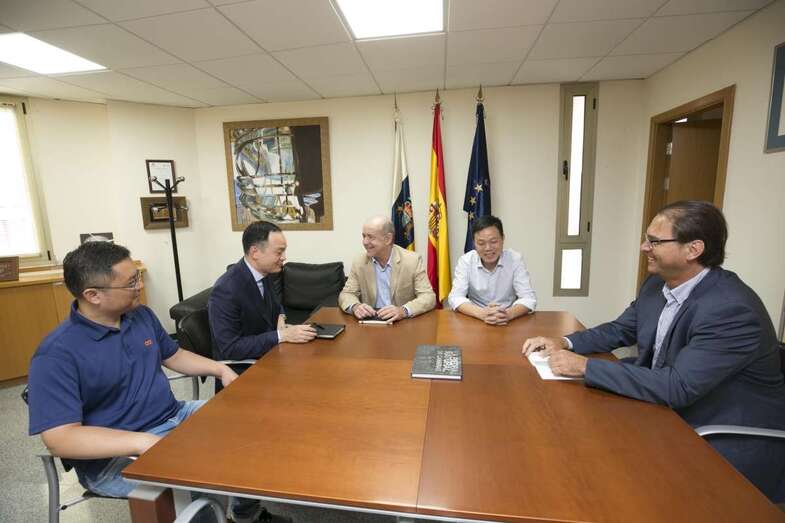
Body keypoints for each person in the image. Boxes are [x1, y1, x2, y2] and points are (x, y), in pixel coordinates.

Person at [522, 200, 785, 502]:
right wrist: (564, 342)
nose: (643, 247)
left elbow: (677, 387)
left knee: (609, 483)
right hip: (666, 413)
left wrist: (584, 367)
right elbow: (620, 329)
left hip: (721, 435)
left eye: (654, 241)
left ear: (693, 249)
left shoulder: (730, 309)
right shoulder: (656, 285)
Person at [27, 242, 238, 501]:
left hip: (174, 416)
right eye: (130, 283)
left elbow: (174, 355)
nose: (140, 286)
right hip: (114, 457)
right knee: (204, 475)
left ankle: (244, 513)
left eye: (137, 277)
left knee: (246, 426)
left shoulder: (140, 316)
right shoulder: (56, 354)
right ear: (93, 295)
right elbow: (61, 439)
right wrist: (142, 441)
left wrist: (220, 369)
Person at [209, 220, 317, 365]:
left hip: (269, 355)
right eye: (279, 252)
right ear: (255, 252)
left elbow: (275, 304)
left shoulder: (265, 274)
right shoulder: (226, 290)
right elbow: (231, 348)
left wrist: (281, 316)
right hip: (243, 369)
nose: (284, 257)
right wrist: (281, 335)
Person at [338, 215, 435, 321]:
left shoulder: (412, 261)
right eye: (364, 236)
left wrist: (403, 311)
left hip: (402, 323)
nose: (365, 242)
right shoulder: (359, 262)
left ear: (388, 239)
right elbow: (347, 294)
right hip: (371, 324)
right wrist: (355, 307)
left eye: (370, 237)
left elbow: (428, 297)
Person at [447, 215, 536, 324]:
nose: (488, 248)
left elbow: (528, 298)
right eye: (481, 243)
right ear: (474, 243)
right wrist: (482, 314)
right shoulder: (466, 261)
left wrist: (507, 314)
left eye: (493, 241)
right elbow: (455, 297)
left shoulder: (515, 259)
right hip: (475, 318)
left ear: (503, 239)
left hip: (507, 319)